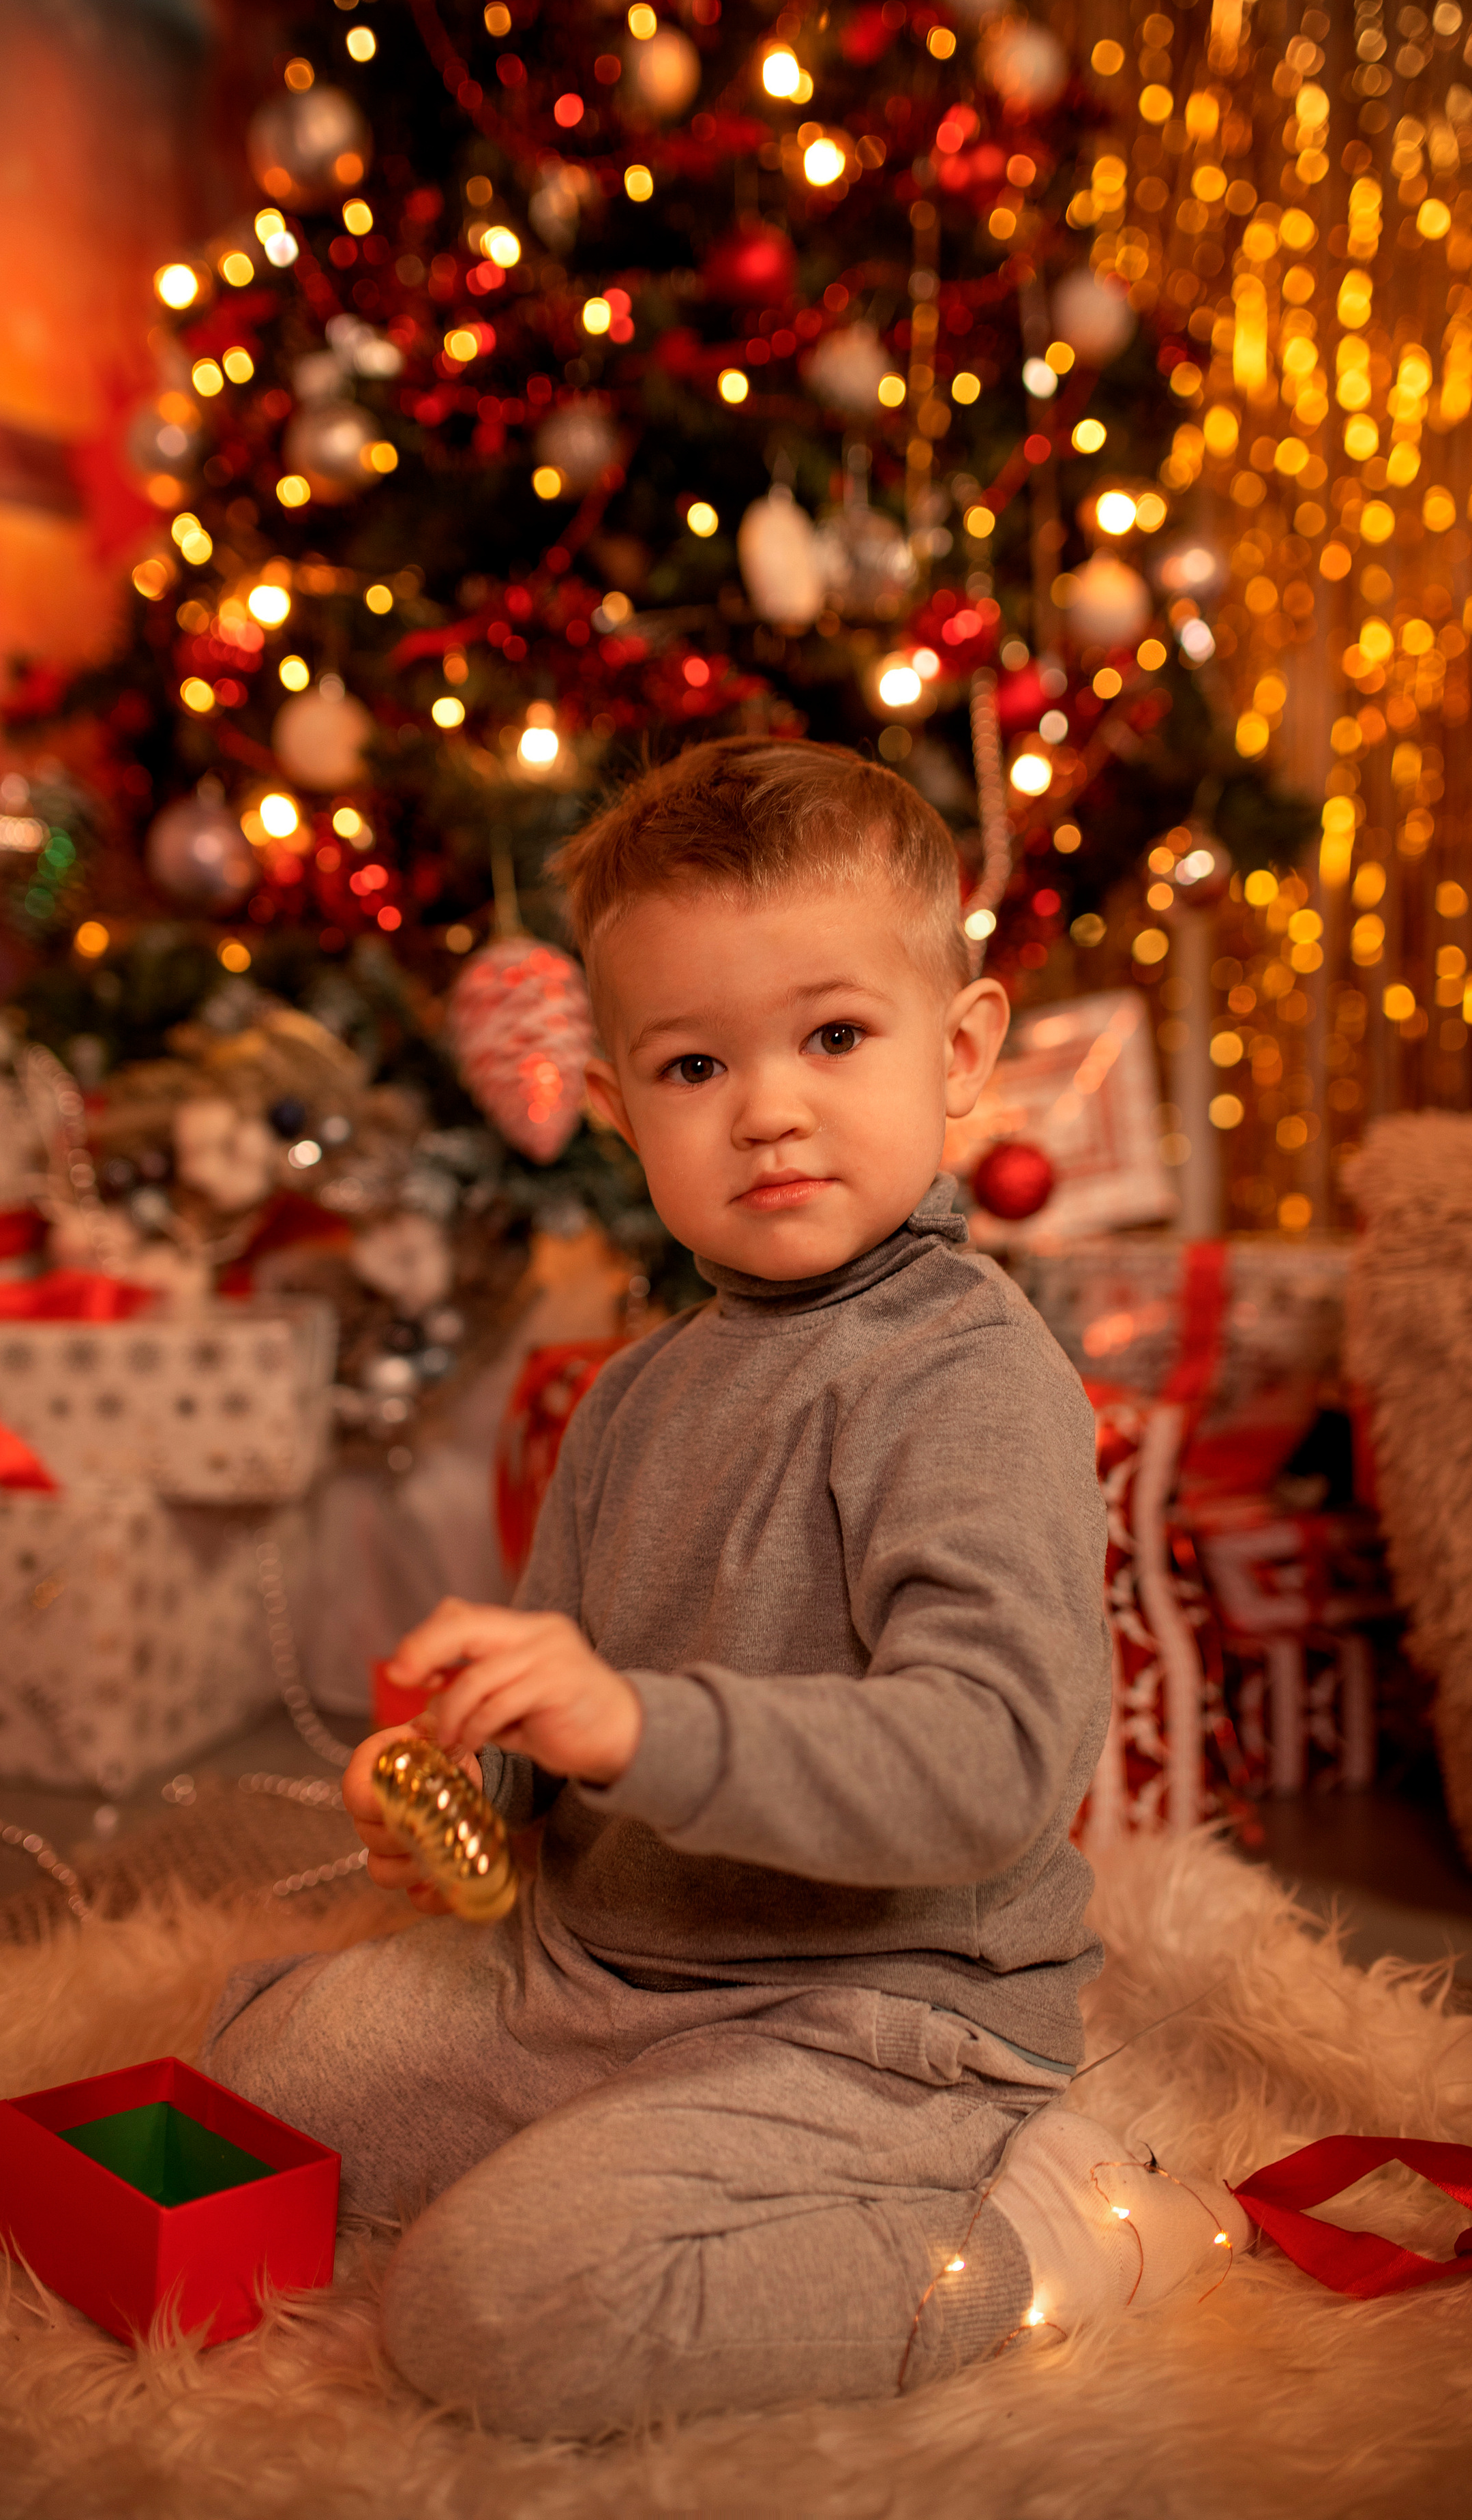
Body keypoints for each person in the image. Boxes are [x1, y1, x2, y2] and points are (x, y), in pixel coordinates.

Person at [202, 741, 1249, 2431]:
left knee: (497, 2308)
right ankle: (624, 2150)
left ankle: (1026, 2226)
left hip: (867, 2021)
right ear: (615, 1107)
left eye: (834, 1038)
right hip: (601, 1975)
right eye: (694, 1064)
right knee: (258, 2086)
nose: (767, 1107)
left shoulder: (967, 1379)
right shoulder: (633, 1393)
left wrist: (632, 1727)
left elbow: (989, 1766)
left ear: (958, 1049)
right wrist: (474, 1774)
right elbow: (566, 1717)